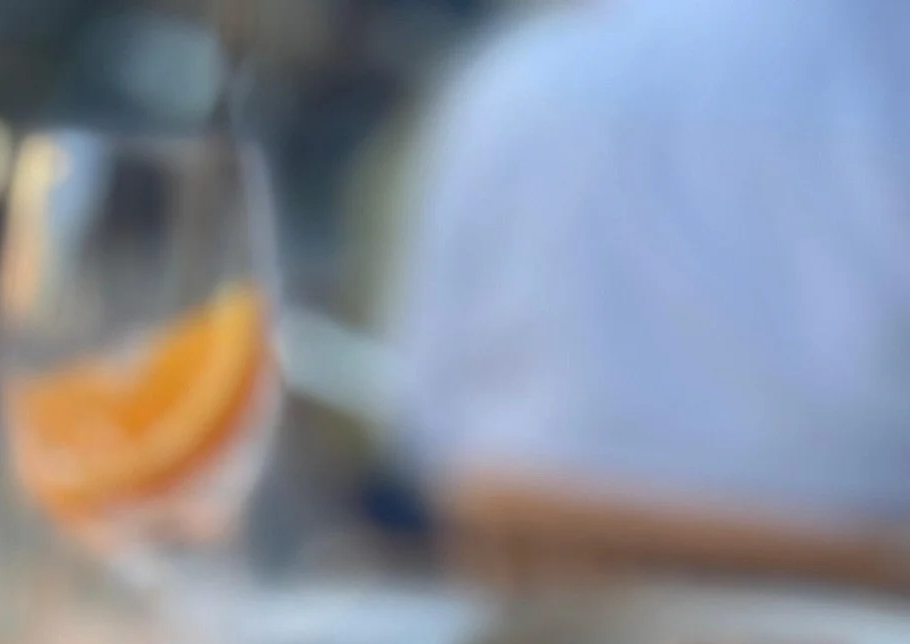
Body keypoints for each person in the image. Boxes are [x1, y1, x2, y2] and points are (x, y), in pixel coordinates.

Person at [389, 0, 910, 585]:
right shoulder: (885, 77)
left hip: (536, 636)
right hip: (872, 625)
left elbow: (425, 427)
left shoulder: (518, 80)